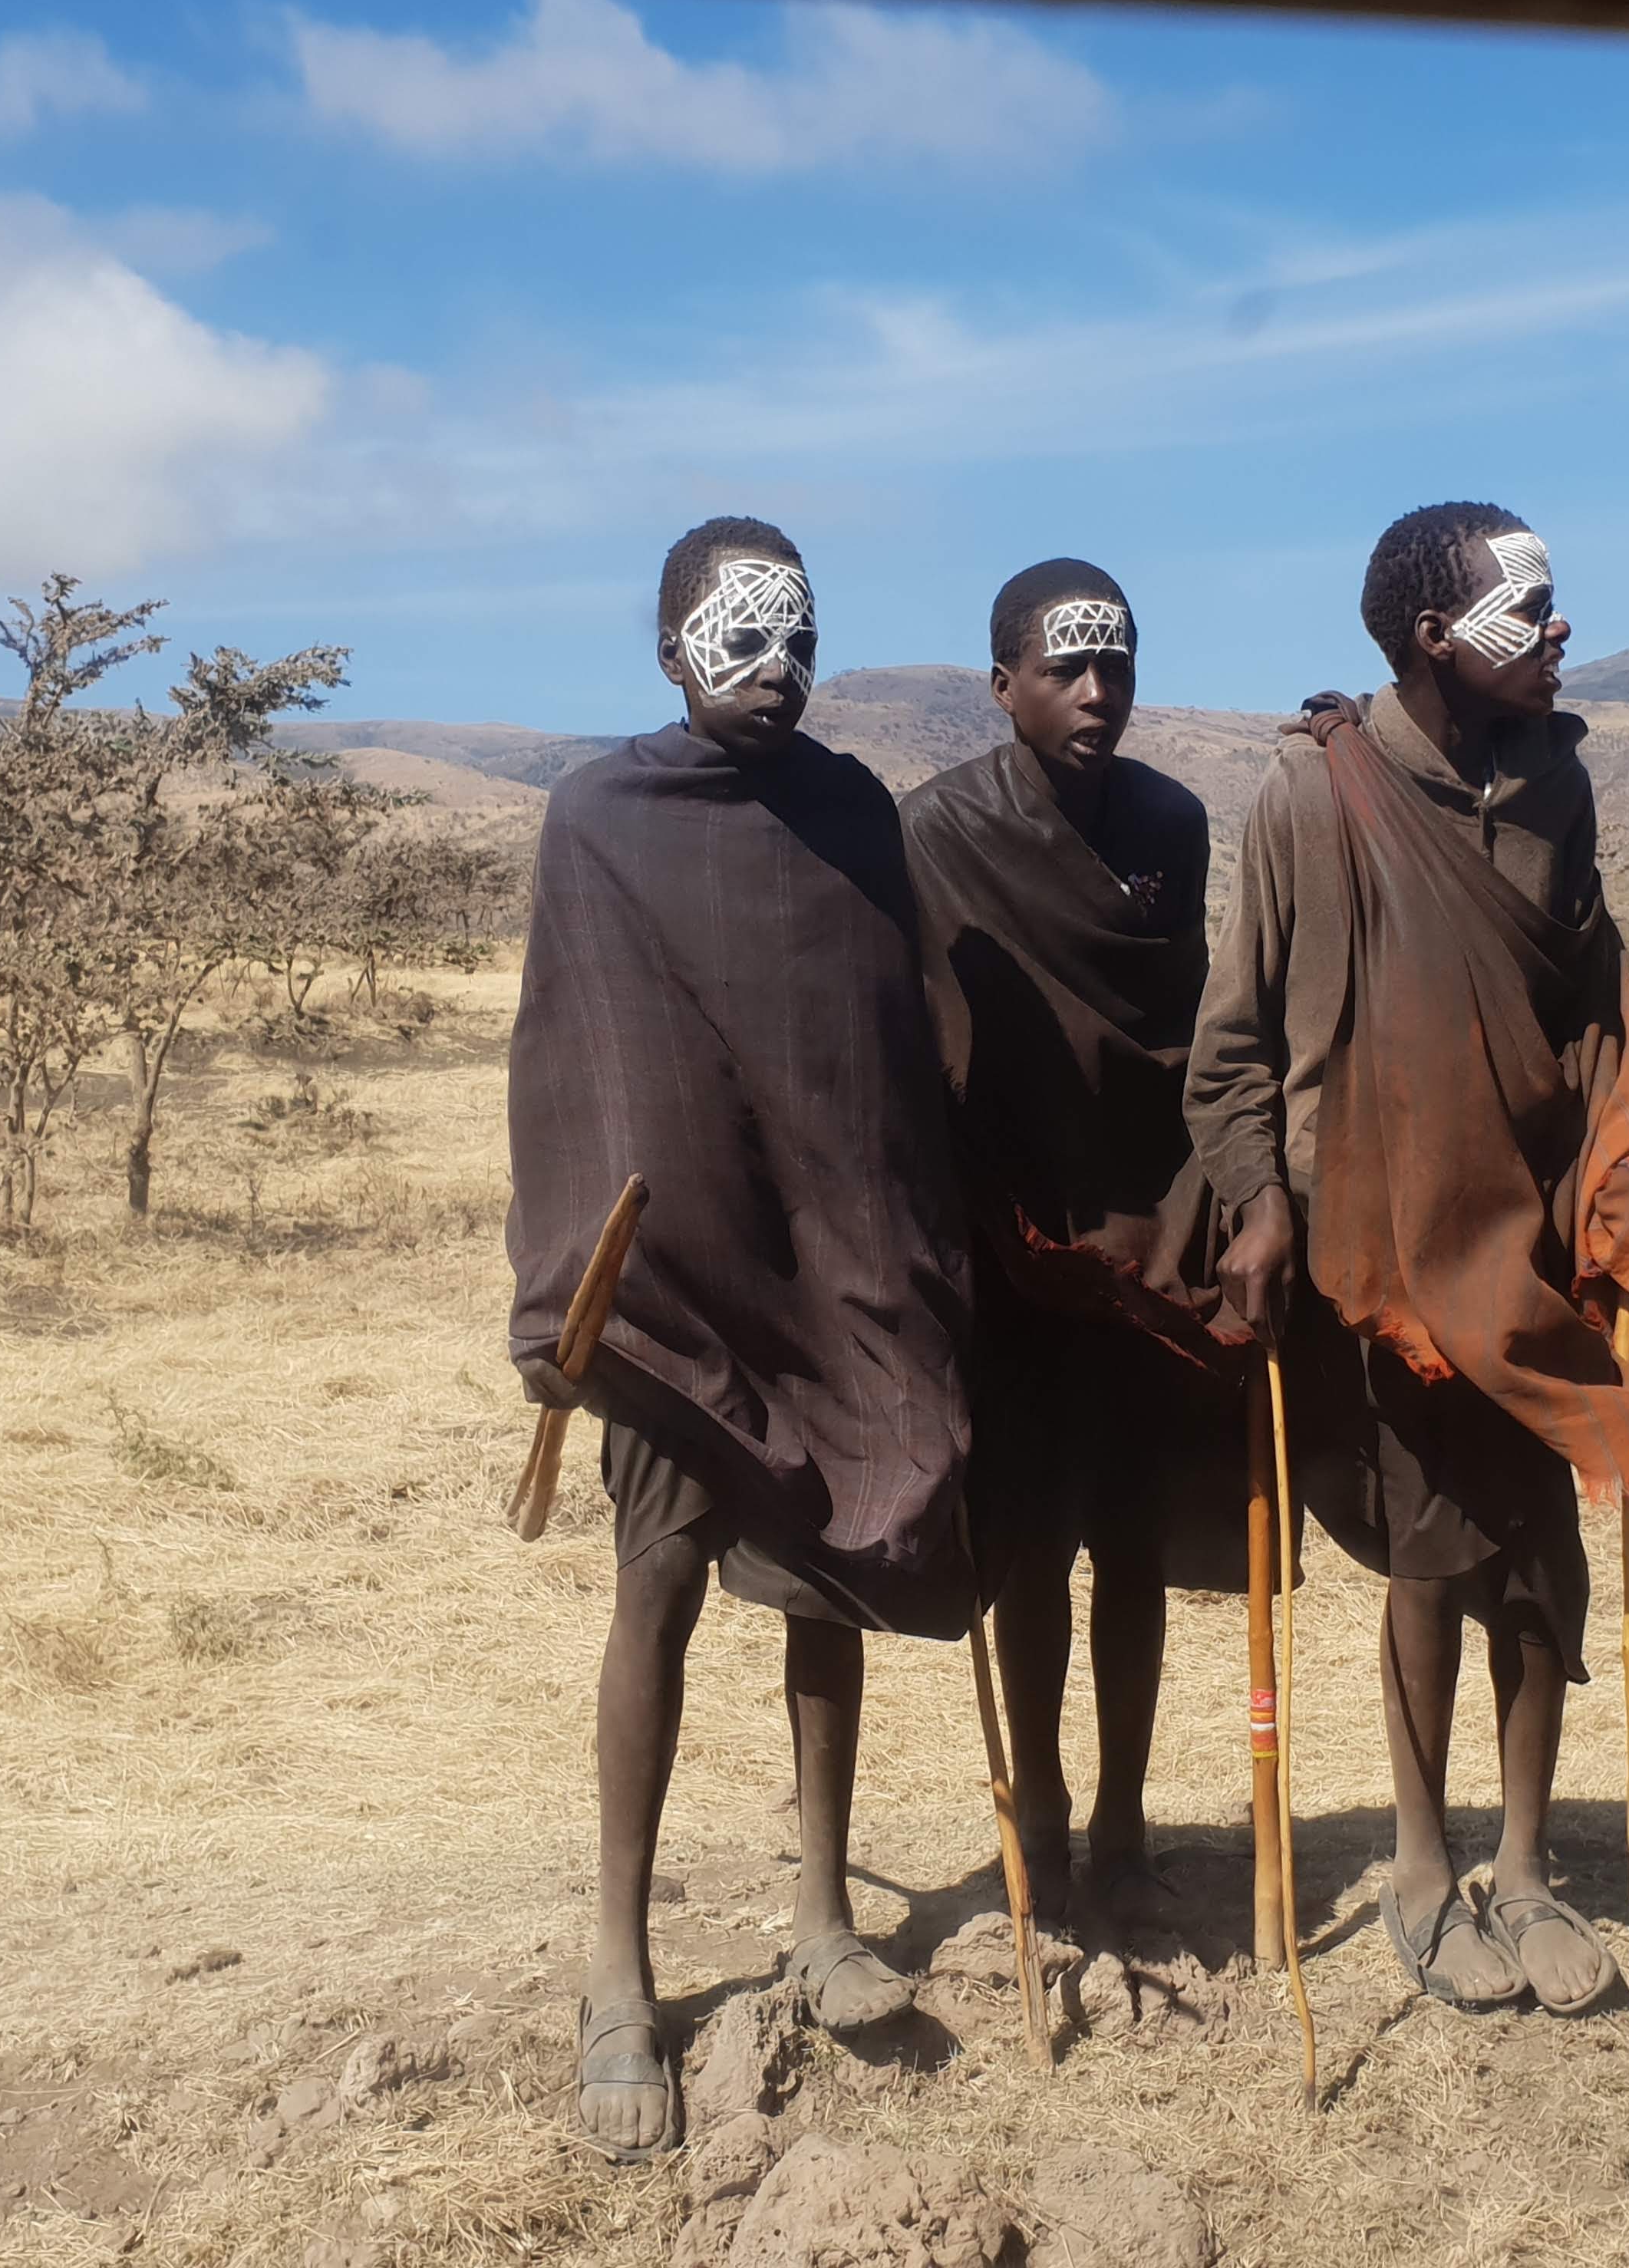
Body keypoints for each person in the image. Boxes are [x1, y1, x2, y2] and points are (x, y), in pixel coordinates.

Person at [505, 517, 974, 2161]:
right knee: (661, 1589)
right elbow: (573, 1059)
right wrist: (573, 1289)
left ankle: (825, 1911)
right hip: (676, 1284)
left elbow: (883, 1047)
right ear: (666, 649)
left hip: (834, 1267)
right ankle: (618, 1971)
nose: (777, 669)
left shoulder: (851, 814)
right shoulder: (602, 820)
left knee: (832, 1570)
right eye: (740, 638)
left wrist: (911, 1246)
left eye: (800, 637)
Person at [1185, 501, 1629, 2017]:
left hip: (1532, 1252)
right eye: (1525, 616)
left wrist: (1616, 1177)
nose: (1559, 634)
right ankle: (1418, 1871)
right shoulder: (1311, 797)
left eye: (1553, 609)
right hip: (1384, 1257)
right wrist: (1262, 1202)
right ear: (1427, 640)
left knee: (1541, 1558)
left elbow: (1594, 1011)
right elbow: (1232, 1051)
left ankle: (1524, 1872)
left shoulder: (1556, 787)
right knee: (1427, 1557)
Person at [898, 559, 1253, 1938]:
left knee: (1137, 1546)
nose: (1100, 691)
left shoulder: (1172, 819)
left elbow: (1190, 1025)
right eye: (1067, 668)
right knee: (1033, 1549)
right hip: (1020, 1250)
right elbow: (927, 1040)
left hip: (1157, 1245)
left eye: (1118, 664)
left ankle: (1124, 1824)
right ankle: (1038, 1818)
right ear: (1005, 689)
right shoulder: (934, 833)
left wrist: (1228, 1200)